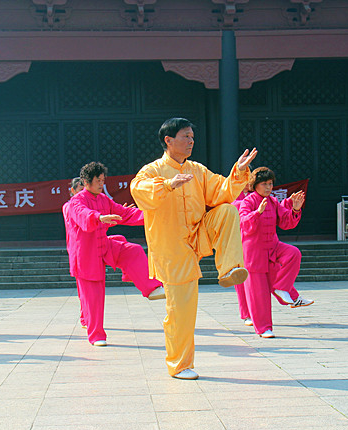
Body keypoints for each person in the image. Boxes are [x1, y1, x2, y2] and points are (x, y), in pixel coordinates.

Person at [130, 117, 257, 379]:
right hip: (172, 246)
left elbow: (221, 191)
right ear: (168, 140)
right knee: (182, 309)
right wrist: (167, 185)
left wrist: (239, 173)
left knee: (227, 211)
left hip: (199, 232)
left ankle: (229, 268)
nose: (191, 142)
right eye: (185, 136)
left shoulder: (197, 170)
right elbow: (138, 190)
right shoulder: (152, 170)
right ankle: (180, 365)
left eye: (192, 137)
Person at [67, 161, 165, 346]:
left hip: (103, 245)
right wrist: (99, 217)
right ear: (87, 181)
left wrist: (152, 215)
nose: (101, 184)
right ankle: (96, 335)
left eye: (103, 180)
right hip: (86, 254)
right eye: (98, 180)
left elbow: (125, 213)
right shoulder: (76, 201)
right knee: (93, 297)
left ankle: (151, 288)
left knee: (133, 250)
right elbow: (82, 214)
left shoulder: (104, 199)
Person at [238, 166, 312, 338]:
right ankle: (264, 328)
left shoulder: (272, 201)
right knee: (259, 294)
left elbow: (286, 222)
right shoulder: (248, 202)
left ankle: (282, 287)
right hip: (254, 253)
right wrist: (258, 213)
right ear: (255, 185)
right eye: (264, 184)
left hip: (273, 247)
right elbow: (244, 224)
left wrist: (295, 209)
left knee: (293, 253)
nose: (268, 187)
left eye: (270, 184)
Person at [63, 177, 87, 329]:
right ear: (72, 191)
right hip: (78, 250)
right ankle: (85, 317)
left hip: (91, 249)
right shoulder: (69, 206)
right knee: (83, 287)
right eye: (80, 189)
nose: (82, 193)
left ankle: (88, 316)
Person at [232, 181, 253, 327]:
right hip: (236, 243)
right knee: (240, 280)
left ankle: (291, 296)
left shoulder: (256, 194)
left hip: (255, 243)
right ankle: (246, 313)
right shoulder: (231, 193)